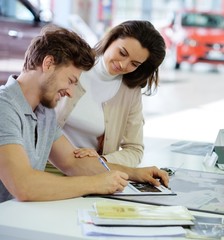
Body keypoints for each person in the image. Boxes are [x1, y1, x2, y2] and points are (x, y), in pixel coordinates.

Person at [0, 26, 168, 203]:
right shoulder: (5, 107)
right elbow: (24, 186)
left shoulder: (44, 112)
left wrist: (136, 173)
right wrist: (96, 184)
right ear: (48, 64)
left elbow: (72, 162)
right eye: (71, 81)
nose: (71, 93)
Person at [55, 20, 166, 167]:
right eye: (122, 53)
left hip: (87, 172)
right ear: (111, 39)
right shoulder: (71, 64)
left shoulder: (130, 92)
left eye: (134, 64)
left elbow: (134, 150)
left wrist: (103, 161)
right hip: (43, 164)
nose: (123, 65)